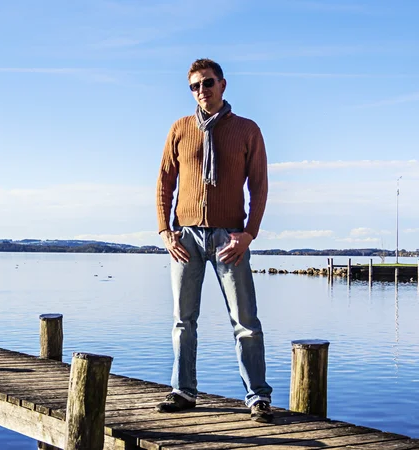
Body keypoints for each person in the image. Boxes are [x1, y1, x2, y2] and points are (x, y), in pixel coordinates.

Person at [155, 58, 273, 423]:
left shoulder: (247, 130)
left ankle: (257, 397)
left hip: (229, 238)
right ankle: (183, 391)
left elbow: (260, 186)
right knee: (183, 319)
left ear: (223, 85)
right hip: (185, 237)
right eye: (194, 86)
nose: (201, 91)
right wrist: (165, 230)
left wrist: (249, 234)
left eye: (207, 83)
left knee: (245, 321)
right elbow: (164, 183)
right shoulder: (179, 128)